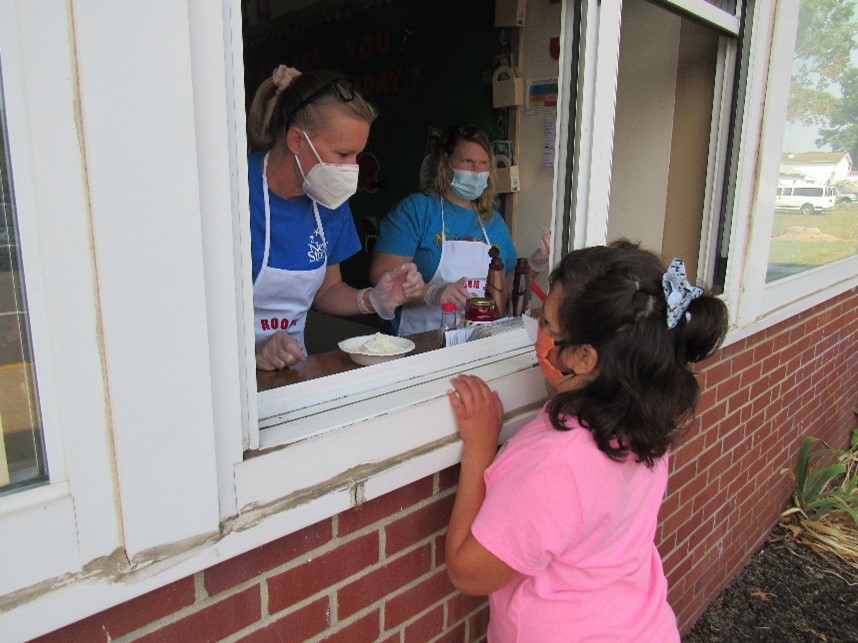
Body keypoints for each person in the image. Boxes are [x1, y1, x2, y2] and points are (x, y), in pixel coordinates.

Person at [445, 240, 728, 641]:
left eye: (546, 325)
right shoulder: (642, 416)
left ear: (583, 359)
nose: (536, 330)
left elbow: (467, 571)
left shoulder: (553, 464)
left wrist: (478, 447)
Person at [247, 65, 423, 370]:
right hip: (223, 382)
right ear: (297, 141)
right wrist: (253, 350)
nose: (352, 168)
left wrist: (374, 299)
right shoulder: (234, 193)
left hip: (291, 369)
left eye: (357, 155)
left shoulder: (329, 200)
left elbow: (327, 291)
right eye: (343, 154)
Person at [369, 124, 550, 336]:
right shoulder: (416, 211)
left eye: (483, 164)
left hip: (479, 338)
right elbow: (381, 276)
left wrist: (537, 261)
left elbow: (506, 290)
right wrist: (433, 294)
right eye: (468, 162)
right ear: (445, 165)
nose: (476, 171)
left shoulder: (492, 221)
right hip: (418, 340)